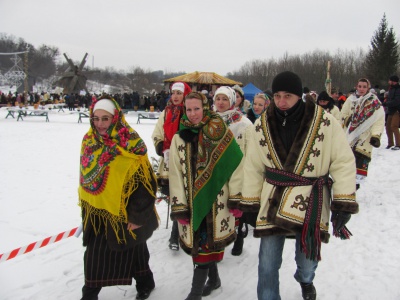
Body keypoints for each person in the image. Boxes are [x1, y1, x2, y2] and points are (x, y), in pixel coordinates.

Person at [240, 71, 359, 300]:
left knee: (307, 262)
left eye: (288, 96)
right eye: (277, 96)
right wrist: (250, 203)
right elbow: (253, 166)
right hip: (273, 199)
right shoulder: (261, 125)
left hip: (310, 198)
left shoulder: (325, 122)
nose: (282, 102)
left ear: (299, 96)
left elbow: (343, 161)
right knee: (266, 264)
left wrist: (344, 202)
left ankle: (305, 279)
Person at [78, 96, 159, 300]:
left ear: (115, 118)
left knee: (136, 250)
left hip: (127, 211)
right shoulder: (89, 141)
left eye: (105, 119)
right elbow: (86, 178)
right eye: (95, 119)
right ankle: (90, 293)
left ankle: (145, 282)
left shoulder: (131, 143)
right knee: (95, 255)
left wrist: (137, 217)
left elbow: (146, 183)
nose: (99, 124)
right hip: (99, 212)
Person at [169, 92, 244, 300]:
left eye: (197, 109)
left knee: (204, 246)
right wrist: (179, 205)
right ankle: (214, 280)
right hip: (192, 203)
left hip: (217, 201)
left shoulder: (220, 131)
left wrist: (236, 197)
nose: (193, 114)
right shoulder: (179, 137)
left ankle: (195, 293)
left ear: (205, 107)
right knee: (202, 245)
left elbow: (236, 165)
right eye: (189, 109)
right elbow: (175, 172)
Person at [152, 81, 192, 251]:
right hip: (168, 161)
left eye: (179, 93)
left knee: (184, 195)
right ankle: (178, 228)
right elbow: (157, 133)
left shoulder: (190, 111)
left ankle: (176, 235)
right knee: (174, 196)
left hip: (186, 160)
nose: (175, 96)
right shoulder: (166, 112)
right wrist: (162, 148)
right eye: (173, 92)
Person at [213, 86, 253, 256]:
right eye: (218, 99)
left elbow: (251, 152)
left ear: (231, 100)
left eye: (225, 99)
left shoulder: (243, 123)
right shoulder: (209, 121)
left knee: (235, 206)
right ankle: (218, 243)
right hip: (216, 173)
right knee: (217, 210)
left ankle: (239, 237)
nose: (221, 103)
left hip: (237, 171)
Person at [341, 78, 385, 189]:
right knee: (347, 163)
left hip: (364, 138)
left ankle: (354, 186)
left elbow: (379, 120)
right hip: (350, 137)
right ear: (356, 87)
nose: (361, 89)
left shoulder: (374, 102)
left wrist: (376, 136)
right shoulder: (350, 100)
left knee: (359, 164)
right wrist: (347, 119)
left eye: (364, 87)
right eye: (359, 86)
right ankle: (346, 185)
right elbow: (342, 114)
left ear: (368, 88)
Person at [382, 75, 400, 150]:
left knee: (394, 126)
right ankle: (390, 143)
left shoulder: (398, 89)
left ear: (393, 81)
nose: (388, 82)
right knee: (388, 127)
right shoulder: (391, 89)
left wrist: (387, 103)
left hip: (397, 110)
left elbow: (397, 101)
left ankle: (398, 144)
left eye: (390, 80)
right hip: (391, 110)